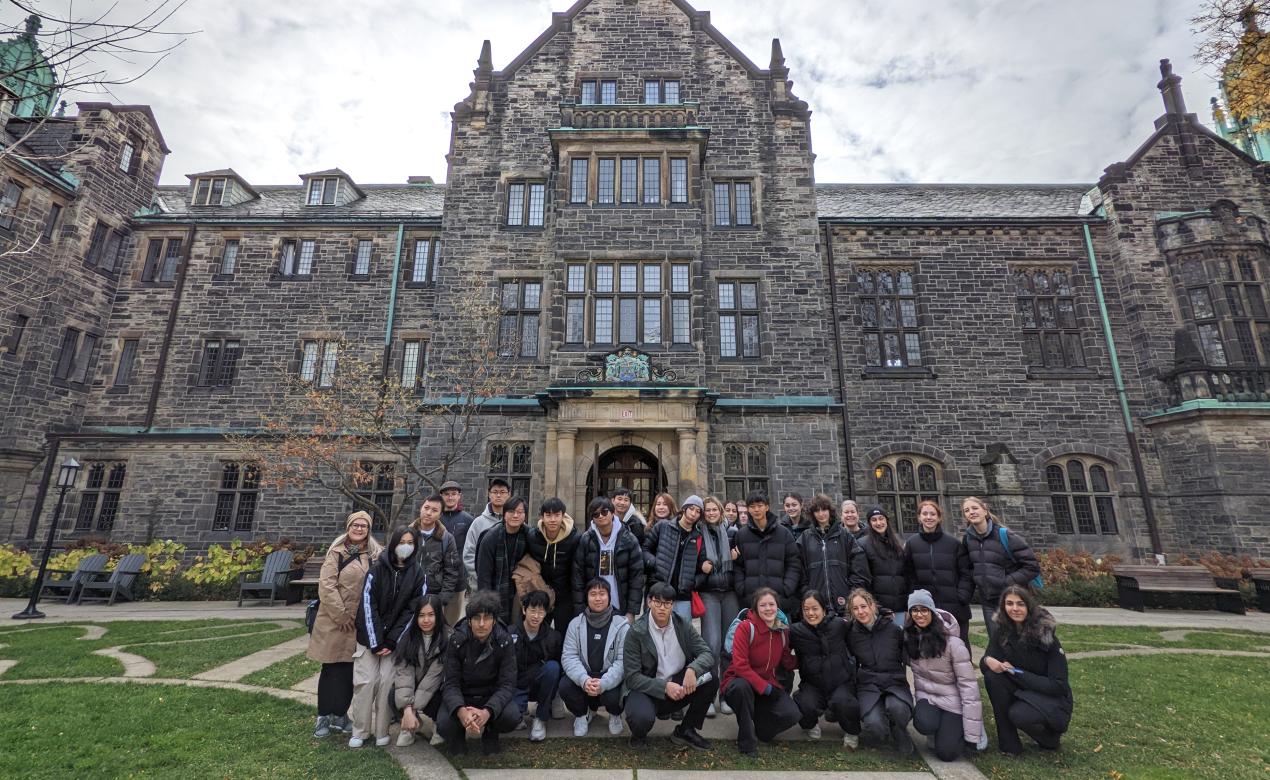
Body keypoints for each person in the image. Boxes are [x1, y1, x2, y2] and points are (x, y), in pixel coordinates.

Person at [351, 526, 429, 748]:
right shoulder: (376, 570)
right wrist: (376, 641)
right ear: (394, 543)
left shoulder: (418, 574)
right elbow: (368, 606)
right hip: (369, 639)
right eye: (402, 541)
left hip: (396, 642)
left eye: (411, 542)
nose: (406, 546)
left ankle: (382, 730)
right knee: (366, 682)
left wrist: (392, 640)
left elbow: (414, 610)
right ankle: (360, 730)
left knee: (386, 682)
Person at [307, 510, 383, 739]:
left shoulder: (374, 555)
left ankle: (340, 714)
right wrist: (341, 615)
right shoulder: (337, 553)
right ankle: (323, 715)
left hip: (358, 622)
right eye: (355, 525)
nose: (359, 529)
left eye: (363, 526)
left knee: (351, 670)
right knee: (331, 669)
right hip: (334, 621)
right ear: (348, 527)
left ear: (369, 530)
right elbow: (327, 586)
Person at [622, 581, 718, 749]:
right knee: (640, 718)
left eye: (667, 603)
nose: (661, 607)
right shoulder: (636, 632)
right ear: (649, 602)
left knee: (711, 679)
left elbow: (707, 653)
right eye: (657, 602)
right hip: (648, 688)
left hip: (678, 685)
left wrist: (692, 669)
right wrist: (665, 687)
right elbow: (632, 677)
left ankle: (686, 730)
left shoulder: (682, 625)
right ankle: (638, 735)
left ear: (673, 605)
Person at [980, 585, 1072, 756]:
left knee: (1019, 714)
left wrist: (1017, 673)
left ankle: (1049, 739)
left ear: (1029, 606)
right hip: (1021, 687)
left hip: (1051, 696)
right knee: (992, 677)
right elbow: (986, 661)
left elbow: (1058, 685)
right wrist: (988, 660)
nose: (1014, 609)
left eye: (1020, 604)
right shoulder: (1002, 629)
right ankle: (1009, 744)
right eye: (1009, 603)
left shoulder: (1045, 634)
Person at [903, 589, 984, 762]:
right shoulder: (911, 639)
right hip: (929, 699)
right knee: (923, 722)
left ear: (932, 611)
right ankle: (940, 730)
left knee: (947, 754)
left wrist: (972, 736)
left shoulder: (954, 644)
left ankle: (963, 730)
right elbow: (918, 680)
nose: (919, 614)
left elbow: (969, 688)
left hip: (953, 702)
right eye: (915, 610)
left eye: (924, 610)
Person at [438, 590, 521, 755]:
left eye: (487, 618)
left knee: (512, 717)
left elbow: (507, 684)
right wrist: (461, 711)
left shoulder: (504, 641)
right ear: (469, 621)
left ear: (494, 620)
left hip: (490, 697)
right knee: (444, 724)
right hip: (464, 696)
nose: (482, 624)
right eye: (476, 618)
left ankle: (491, 733)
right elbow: (451, 682)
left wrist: (487, 711)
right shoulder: (456, 640)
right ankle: (458, 736)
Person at [721, 586, 800, 757]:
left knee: (792, 714)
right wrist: (764, 687)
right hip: (739, 683)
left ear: (777, 607)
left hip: (767, 684)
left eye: (771, 604)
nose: (768, 609)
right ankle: (747, 743)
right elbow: (740, 665)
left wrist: (807, 660)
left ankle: (760, 730)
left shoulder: (782, 630)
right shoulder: (745, 628)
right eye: (763, 605)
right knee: (742, 688)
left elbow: (786, 660)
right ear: (756, 608)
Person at [960, 496, 1041, 643]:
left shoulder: (1005, 535)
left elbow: (1032, 566)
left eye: (975, 508)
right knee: (997, 643)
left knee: (1020, 642)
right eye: (967, 510)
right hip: (988, 601)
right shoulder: (968, 539)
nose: (971, 512)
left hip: (1011, 600)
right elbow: (970, 567)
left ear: (985, 510)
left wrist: (1006, 582)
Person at [845, 588, 914, 756]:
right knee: (875, 727)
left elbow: (908, 657)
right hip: (869, 685)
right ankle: (883, 727)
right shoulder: (851, 634)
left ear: (872, 606)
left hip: (894, 682)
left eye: (863, 606)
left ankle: (899, 730)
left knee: (898, 710)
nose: (860, 612)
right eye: (855, 608)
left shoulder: (894, 630)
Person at [560, 578, 631, 737]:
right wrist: (584, 680)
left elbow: (623, 661)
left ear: (609, 596)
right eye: (593, 594)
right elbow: (569, 656)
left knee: (614, 695)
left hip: (609, 678)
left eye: (602, 594)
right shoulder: (575, 624)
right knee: (565, 686)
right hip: (585, 677)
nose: (598, 598)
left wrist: (604, 683)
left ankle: (615, 714)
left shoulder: (622, 625)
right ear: (587, 597)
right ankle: (581, 715)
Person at [790, 589, 860, 748]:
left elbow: (860, 626)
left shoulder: (839, 625)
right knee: (805, 703)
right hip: (813, 684)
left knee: (844, 702)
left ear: (823, 609)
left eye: (814, 608)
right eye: (806, 609)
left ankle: (851, 731)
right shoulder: (796, 631)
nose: (810, 613)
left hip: (841, 681)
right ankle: (810, 725)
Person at [904, 500, 973, 645]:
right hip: (926, 607)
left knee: (959, 648)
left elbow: (966, 573)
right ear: (919, 517)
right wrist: (915, 598)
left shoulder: (953, 543)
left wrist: (962, 596)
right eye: (925, 514)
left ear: (939, 517)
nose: (929, 517)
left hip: (955, 606)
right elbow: (908, 574)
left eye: (932, 514)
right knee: (932, 649)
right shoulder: (911, 544)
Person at [697, 496, 739, 716]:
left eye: (715, 509)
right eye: (707, 510)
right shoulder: (698, 535)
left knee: (728, 646)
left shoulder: (732, 533)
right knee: (711, 645)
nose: (711, 513)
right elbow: (693, 564)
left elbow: (741, 564)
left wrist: (735, 558)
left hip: (730, 593)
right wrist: (701, 569)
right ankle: (708, 696)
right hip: (709, 594)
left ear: (721, 511)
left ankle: (726, 695)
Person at [572, 496, 645, 622]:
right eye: (596, 514)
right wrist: (580, 610)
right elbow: (578, 576)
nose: (600, 516)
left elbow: (636, 577)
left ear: (612, 513)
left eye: (604, 512)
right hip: (594, 605)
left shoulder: (628, 539)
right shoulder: (586, 540)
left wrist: (631, 611)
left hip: (620, 603)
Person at [797, 492, 871, 616]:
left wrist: (851, 592)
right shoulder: (805, 538)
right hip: (816, 606)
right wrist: (806, 592)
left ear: (830, 511)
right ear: (812, 514)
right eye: (817, 511)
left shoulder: (845, 536)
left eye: (824, 509)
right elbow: (798, 569)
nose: (821, 514)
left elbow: (860, 568)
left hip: (844, 604)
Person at [392, 594, 449, 747]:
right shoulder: (408, 638)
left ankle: (438, 726)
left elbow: (433, 678)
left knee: (442, 696)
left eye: (431, 615)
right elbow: (404, 673)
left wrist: (412, 709)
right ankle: (410, 727)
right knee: (393, 694)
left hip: (435, 689)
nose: (426, 620)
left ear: (439, 615)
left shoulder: (448, 639)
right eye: (421, 615)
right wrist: (407, 708)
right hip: (414, 686)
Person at [732, 491, 802, 616]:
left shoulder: (784, 533)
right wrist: (742, 589)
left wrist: (786, 588)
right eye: (752, 507)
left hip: (779, 600)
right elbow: (738, 566)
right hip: (751, 600)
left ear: (767, 507)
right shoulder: (741, 535)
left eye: (760, 505)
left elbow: (794, 563)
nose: (756, 509)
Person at [510, 590, 563, 742]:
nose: (536, 616)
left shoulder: (553, 637)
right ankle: (518, 712)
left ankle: (541, 717)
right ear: (524, 609)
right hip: (517, 685)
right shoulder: (510, 633)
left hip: (537, 684)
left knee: (553, 668)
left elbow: (555, 671)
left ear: (546, 613)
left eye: (541, 612)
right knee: (509, 720)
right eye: (532, 610)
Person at [642, 494, 704, 619]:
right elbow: (645, 549)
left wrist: (693, 582)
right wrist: (655, 563)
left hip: (683, 595)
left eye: (698, 511)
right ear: (684, 508)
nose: (693, 514)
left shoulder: (698, 536)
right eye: (691, 509)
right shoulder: (664, 526)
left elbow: (702, 566)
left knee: (682, 634)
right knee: (654, 632)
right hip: (659, 589)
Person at [526, 496, 580, 633]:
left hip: (565, 595)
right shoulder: (533, 536)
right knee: (538, 632)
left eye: (557, 515)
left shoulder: (574, 538)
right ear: (542, 517)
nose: (553, 520)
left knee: (564, 633)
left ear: (563, 516)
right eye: (548, 515)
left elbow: (577, 569)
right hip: (541, 592)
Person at [476, 495, 530, 624]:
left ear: (525, 515)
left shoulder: (530, 536)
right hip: (495, 590)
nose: (515, 515)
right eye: (511, 512)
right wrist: (486, 603)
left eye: (520, 512)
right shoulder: (490, 538)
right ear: (504, 514)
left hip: (520, 591)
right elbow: (484, 576)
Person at [411, 494, 463, 621]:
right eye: (426, 508)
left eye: (434, 510)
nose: (428, 513)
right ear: (421, 508)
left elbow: (451, 571)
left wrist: (442, 599)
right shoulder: (407, 534)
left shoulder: (446, 538)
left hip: (433, 595)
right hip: (408, 593)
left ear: (440, 515)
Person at [858, 506, 909, 617]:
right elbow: (864, 579)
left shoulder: (898, 543)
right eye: (874, 520)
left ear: (886, 520)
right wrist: (875, 606)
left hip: (900, 606)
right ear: (869, 523)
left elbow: (905, 574)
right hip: (878, 609)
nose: (878, 522)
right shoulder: (863, 544)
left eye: (881, 518)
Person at [462, 478, 511, 591]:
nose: (498, 495)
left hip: (507, 587)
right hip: (481, 586)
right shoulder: (478, 523)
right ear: (489, 494)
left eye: (502, 492)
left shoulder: (515, 521)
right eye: (495, 492)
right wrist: (481, 578)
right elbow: (469, 554)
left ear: (509, 495)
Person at [439, 480, 475, 625]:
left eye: (454, 494)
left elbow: (471, 549)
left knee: (451, 622)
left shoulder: (468, 520)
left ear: (459, 496)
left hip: (458, 578)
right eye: (447, 494)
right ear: (441, 496)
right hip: (436, 577)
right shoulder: (436, 517)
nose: (450, 497)